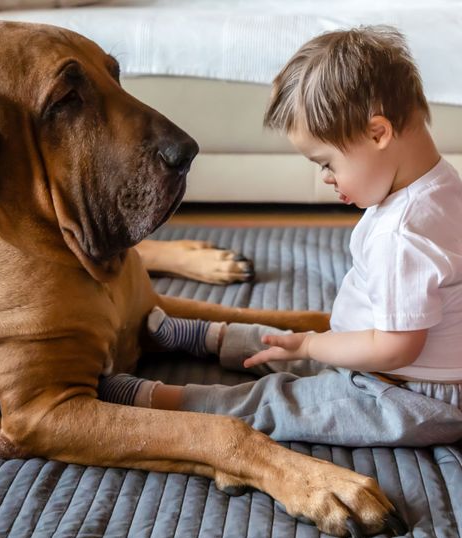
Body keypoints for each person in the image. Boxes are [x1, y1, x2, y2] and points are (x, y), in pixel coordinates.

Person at [98, 25, 462, 447]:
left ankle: (162, 398)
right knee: (288, 346)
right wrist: (311, 346)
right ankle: (207, 337)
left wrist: (311, 347)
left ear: (378, 133)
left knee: (282, 401)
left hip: (403, 394)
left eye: (326, 163)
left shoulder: (403, 235)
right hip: (378, 361)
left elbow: (395, 349)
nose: (325, 177)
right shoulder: (441, 184)